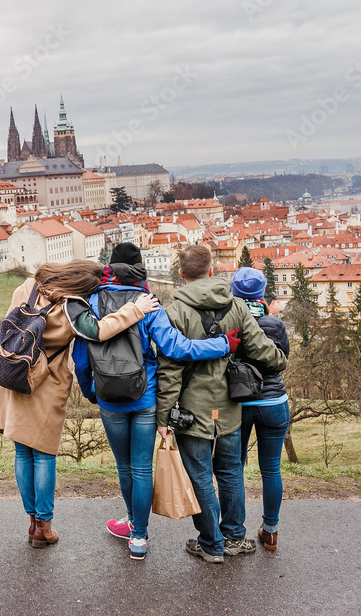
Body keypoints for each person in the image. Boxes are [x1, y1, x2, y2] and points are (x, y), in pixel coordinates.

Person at [73, 242, 242, 561]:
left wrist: (91, 392)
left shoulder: (91, 301)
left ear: (111, 267)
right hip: (145, 396)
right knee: (141, 468)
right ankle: (138, 538)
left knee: (125, 468)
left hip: (110, 398)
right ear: (139, 271)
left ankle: (135, 525)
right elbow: (176, 348)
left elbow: (80, 358)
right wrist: (222, 344)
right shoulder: (147, 302)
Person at [0, 260, 161, 549]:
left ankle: (31, 522)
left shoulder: (29, 286)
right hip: (47, 383)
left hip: (16, 372)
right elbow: (99, 331)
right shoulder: (72, 307)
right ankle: (44, 526)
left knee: (21, 451)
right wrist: (135, 309)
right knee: (42, 454)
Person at [156, 246, 288, 564]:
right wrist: (279, 360)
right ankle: (233, 537)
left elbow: (170, 371)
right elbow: (260, 348)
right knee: (230, 472)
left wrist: (163, 416)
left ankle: (211, 544)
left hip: (192, 410)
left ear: (182, 275)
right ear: (211, 270)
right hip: (229, 407)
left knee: (200, 475)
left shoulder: (174, 312)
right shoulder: (237, 305)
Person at [231, 266, 291, 553]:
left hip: (238, 404)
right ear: (261, 293)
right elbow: (282, 358)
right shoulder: (273, 324)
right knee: (271, 469)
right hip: (273, 402)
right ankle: (270, 532)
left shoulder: (230, 321)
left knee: (234, 468)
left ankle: (234, 531)